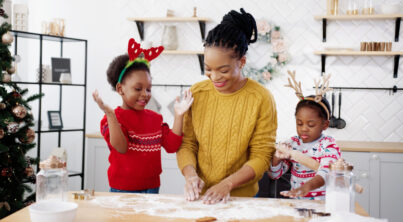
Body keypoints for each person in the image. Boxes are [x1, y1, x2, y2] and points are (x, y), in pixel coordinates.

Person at [176, 8, 277, 204]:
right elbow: (187, 143)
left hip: (243, 199)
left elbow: (262, 155)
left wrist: (227, 184)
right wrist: (190, 175)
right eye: (208, 69)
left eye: (223, 70)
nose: (214, 77)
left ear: (242, 62)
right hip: (201, 195)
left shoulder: (261, 98)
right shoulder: (197, 93)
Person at [93, 38, 194, 193]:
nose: (145, 94)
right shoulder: (111, 119)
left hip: (152, 188)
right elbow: (121, 147)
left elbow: (171, 146)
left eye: (148, 89)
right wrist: (110, 115)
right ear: (120, 89)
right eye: (138, 88)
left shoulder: (155, 118)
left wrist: (179, 115)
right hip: (122, 189)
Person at [268, 72, 341, 200]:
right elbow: (274, 175)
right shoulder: (292, 143)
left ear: (325, 125)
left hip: (322, 203)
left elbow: (326, 173)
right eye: (299, 123)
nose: (304, 129)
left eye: (311, 124)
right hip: (296, 202)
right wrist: (276, 159)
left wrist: (306, 187)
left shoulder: (328, 144)